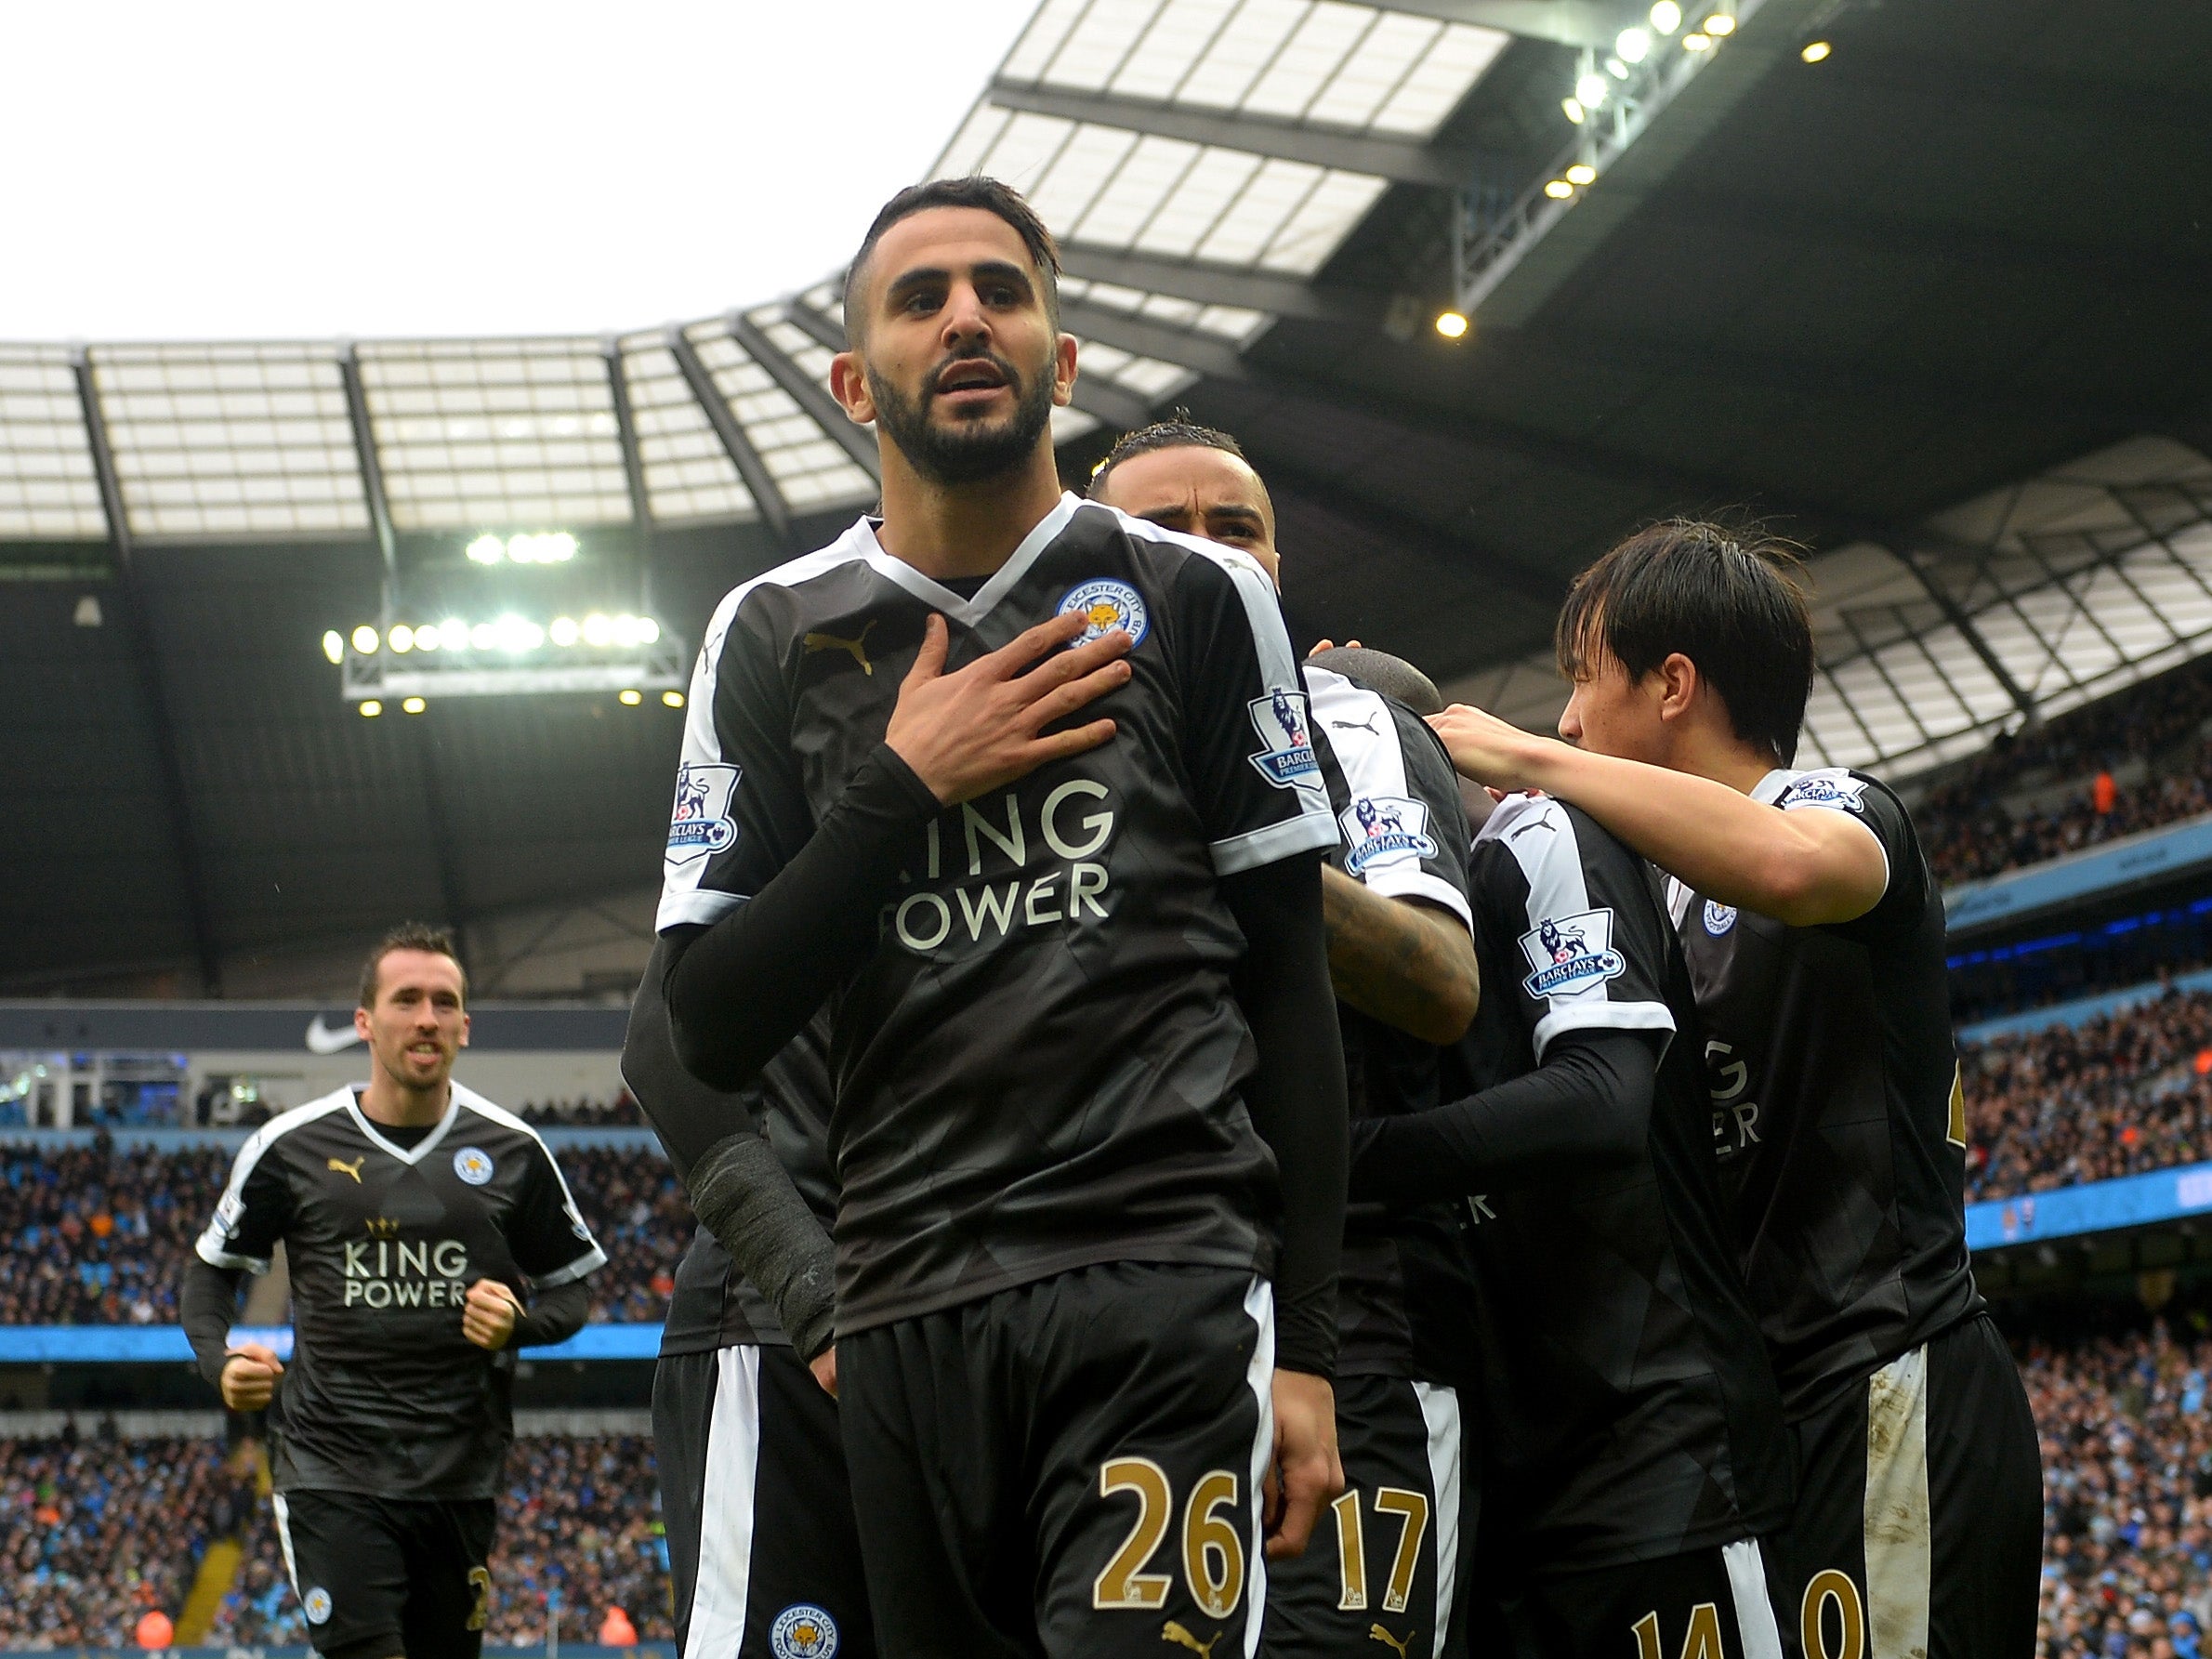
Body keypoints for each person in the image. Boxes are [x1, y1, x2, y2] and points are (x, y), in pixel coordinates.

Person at [656, 177, 1350, 1658]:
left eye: (1000, 290)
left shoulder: (1204, 596)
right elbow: (707, 1023)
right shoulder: (771, 632)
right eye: (920, 299)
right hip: (904, 1311)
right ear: (856, 383)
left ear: (1063, 359)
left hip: (1159, 1281)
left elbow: (1291, 986)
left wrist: (1315, 1348)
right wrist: (899, 786)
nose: (966, 315)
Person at [1424, 521, 2043, 1659]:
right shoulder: (1628, 903)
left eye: (1578, 682)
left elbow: (1799, 867)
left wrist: (1527, 760)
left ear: (1671, 685)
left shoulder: (1839, 805)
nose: (1564, 718)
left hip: (1885, 1376)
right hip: (1758, 1426)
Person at [1087, 420, 1481, 1659]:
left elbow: (1436, 980)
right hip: (1112, 1322)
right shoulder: (1024, 731)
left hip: (1348, 1325)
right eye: (1163, 532)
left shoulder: (1349, 723)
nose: (1209, 557)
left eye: (1237, 529)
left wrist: (1228, 833)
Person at [180, 925, 604, 1659]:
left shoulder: (513, 1149)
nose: (427, 1017)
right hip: (331, 1467)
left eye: (445, 1002)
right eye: (406, 999)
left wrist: (519, 1325)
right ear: (365, 1023)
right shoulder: (289, 1146)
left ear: (466, 1026)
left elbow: (574, 1288)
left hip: (461, 1474)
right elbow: (212, 1269)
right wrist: (218, 1360)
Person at [624, 944, 875, 1659]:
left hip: (966, 1326)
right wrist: (811, 1292)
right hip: (783, 1335)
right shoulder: (788, 838)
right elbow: (656, 1042)